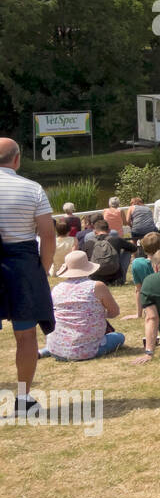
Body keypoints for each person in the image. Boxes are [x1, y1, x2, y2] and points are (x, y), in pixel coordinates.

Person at [0, 139, 56, 414]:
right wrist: (42, 270)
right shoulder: (32, 189)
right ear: (17, 159)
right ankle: (23, 399)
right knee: (26, 336)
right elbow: (47, 233)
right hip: (23, 265)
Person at [39, 251, 125, 361]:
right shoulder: (97, 286)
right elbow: (114, 312)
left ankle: (46, 351)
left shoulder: (57, 288)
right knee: (119, 337)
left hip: (56, 348)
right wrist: (98, 314)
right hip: (85, 350)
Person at [85, 219, 132, 286]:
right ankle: (122, 277)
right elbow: (134, 248)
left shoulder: (88, 243)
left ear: (95, 232)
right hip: (116, 280)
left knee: (85, 257)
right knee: (128, 251)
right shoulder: (117, 240)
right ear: (109, 230)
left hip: (95, 281)